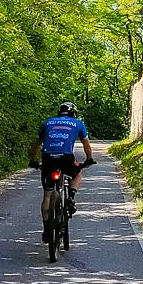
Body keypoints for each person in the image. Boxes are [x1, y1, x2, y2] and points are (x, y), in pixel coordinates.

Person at [28, 100, 93, 242]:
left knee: (47, 195)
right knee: (77, 172)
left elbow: (36, 145)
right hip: (66, 158)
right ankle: (71, 196)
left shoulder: (48, 122)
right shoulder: (78, 124)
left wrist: (33, 160)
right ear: (73, 113)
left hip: (48, 159)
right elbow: (86, 146)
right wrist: (89, 159)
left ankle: (46, 228)